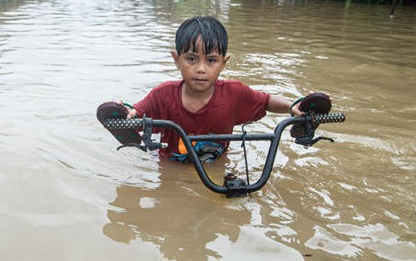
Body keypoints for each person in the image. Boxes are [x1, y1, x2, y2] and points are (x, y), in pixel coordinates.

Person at [123, 16, 319, 162]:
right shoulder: (162, 95)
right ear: (177, 60)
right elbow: (134, 115)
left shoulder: (234, 93)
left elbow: (266, 101)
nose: (201, 69)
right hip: (170, 168)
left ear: (223, 63)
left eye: (211, 61)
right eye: (191, 59)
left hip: (216, 167)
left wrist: (293, 106)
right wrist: (122, 113)